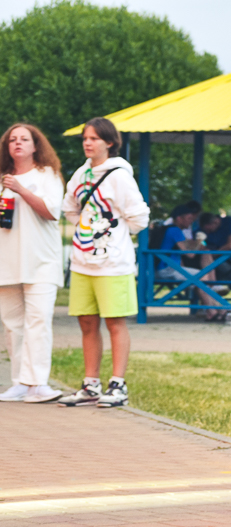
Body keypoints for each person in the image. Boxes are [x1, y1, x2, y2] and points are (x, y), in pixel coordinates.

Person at [59, 117, 149, 408]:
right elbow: (69, 207)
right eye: (85, 138)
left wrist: (114, 235)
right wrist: (88, 225)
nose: (88, 142)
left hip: (113, 263)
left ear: (109, 142)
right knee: (86, 321)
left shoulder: (120, 175)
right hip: (83, 260)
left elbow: (139, 218)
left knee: (115, 321)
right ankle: (90, 383)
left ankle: (118, 384)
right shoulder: (81, 174)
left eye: (95, 138)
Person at [0, 123, 65, 403]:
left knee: (38, 321)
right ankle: (19, 383)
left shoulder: (47, 174)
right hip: (8, 262)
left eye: (24, 139)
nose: (18, 144)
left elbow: (51, 211)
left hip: (41, 262)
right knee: (14, 324)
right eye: (12, 140)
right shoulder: (2, 178)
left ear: (36, 145)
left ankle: (37, 383)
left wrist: (21, 189)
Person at [157, 211, 226, 321]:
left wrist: (197, 243)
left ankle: (215, 310)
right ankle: (215, 310)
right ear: (179, 218)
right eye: (189, 218)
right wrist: (199, 241)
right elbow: (190, 254)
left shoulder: (170, 230)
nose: (191, 221)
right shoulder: (175, 230)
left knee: (198, 280)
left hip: (167, 268)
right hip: (167, 269)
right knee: (202, 277)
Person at [197, 211, 231, 281]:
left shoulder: (229, 222)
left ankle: (212, 283)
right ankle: (210, 286)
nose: (208, 232)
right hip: (211, 261)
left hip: (230, 261)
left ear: (215, 222)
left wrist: (212, 254)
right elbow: (198, 240)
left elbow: (230, 246)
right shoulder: (202, 229)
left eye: (209, 230)